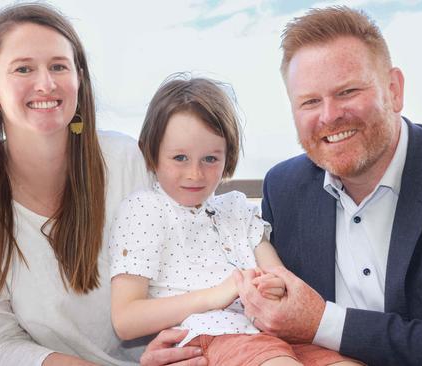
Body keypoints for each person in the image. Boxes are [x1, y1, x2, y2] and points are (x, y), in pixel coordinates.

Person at [227, 6, 422, 366]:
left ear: (394, 90)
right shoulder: (283, 188)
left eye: (347, 91)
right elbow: (256, 301)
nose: (328, 116)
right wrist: (190, 340)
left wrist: (322, 322)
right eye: (310, 101)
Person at [0, 4, 203, 366]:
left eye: (58, 66)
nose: (45, 83)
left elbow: (185, 272)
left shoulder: (126, 161)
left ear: (79, 79)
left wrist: (173, 346)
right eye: (23, 68)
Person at [108, 76, 358, 366]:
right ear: (151, 153)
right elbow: (125, 319)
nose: (195, 174)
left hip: (273, 332)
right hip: (211, 338)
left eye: (210, 159)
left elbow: (280, 277)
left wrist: (271, 287)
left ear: (227, 156)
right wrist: (218, 295)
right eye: (180, 158)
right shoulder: (144, 210)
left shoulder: (237, 208)